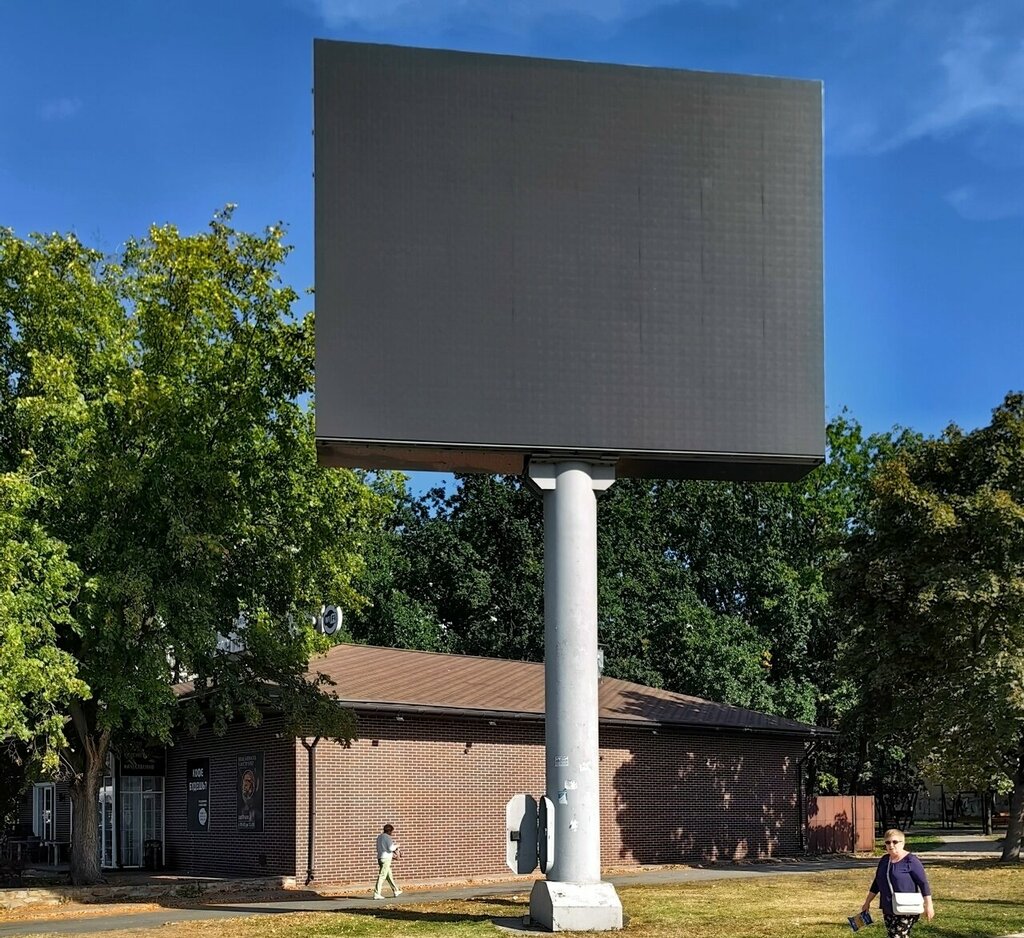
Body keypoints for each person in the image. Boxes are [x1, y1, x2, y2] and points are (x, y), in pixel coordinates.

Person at [861, 828, 934, 938]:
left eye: (895, 842)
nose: (891, 845)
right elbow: (877, 883)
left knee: (897, 936)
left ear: (902, 843)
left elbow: (923, 883)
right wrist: (867, 902)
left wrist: (929, 905)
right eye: (888, 842)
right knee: (894, 935)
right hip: (888, 907)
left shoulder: (911, 861)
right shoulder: (885, 860)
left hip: (907, 907)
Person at [373, 823, 403, 899]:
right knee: (382, 876)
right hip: (386, 859)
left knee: (389, 876)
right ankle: (377, 893)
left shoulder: (379, 837)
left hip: (380, 858)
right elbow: (390, 848)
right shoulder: (387, 837)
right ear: (390, 831)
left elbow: (381, 848)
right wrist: (397, 846)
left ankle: (396, 890)